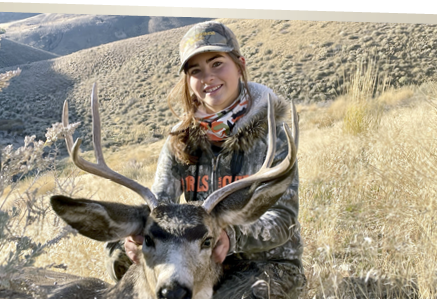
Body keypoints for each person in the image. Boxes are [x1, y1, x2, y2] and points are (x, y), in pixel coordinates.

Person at [106, 21, 303, 283]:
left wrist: (231, 236)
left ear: (240, 64)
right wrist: (139, 234)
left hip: (262, 265)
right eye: (196, 70)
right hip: (198, 260)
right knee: (119, 256)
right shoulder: (180, 140)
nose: (208, 77)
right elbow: (163, 207)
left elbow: (283, 221)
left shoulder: (273, 135)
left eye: (217, 63)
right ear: (188, 81)